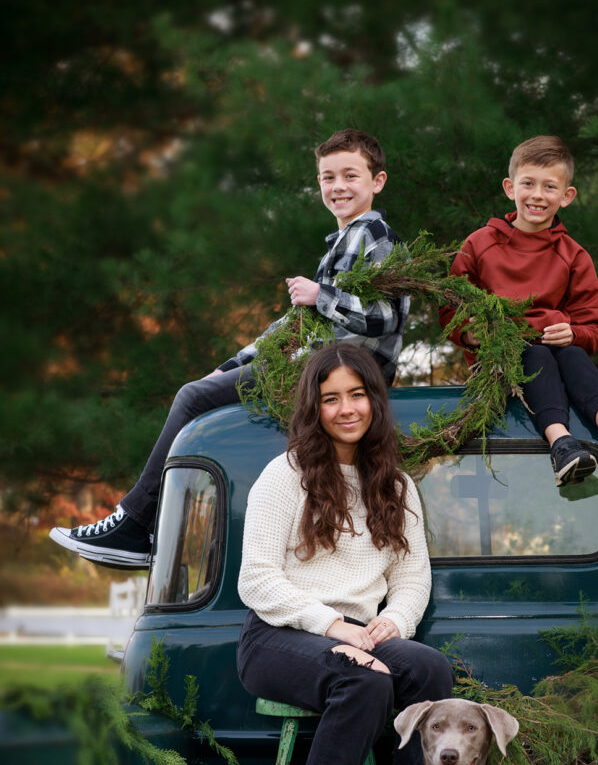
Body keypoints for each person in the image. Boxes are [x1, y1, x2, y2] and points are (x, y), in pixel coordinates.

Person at [50, 129, 410, 567]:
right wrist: (229, 367)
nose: (337, 187)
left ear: (378, 181)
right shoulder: (345, 239)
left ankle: (133, 523)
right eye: (327, 177)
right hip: (321, 365)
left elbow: (385, 317)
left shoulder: (374, 235)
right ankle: (169, 534)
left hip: (349, 374)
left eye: (350, 176)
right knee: (205, 391)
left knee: (193, 397)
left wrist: (321, 296)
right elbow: (294, 327)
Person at [236, 342, 454, 765]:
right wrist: (335, 628)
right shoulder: (285, 476)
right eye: (331, 398)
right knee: (364, 680)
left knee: (429, 668)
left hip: (359, 635)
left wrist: (392, 622)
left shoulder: (395, 484)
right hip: (278, 636)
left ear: (373, 399)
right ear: (315, 408)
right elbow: (256, 580)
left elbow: (412, 578)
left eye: (356, 394)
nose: (346, 409)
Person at [440, 135, 598, 487]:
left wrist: (574, 332)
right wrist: (471, 332)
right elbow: (451, 309)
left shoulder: (573, 255)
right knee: (536, 355)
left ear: (567, 196)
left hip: (558, 353)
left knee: (572, 353)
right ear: (509, 187)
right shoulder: (480, 244)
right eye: (528, 183)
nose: (537, 195)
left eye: (550, 187)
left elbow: (593, 326)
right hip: (501, 362)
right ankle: (561, 442)